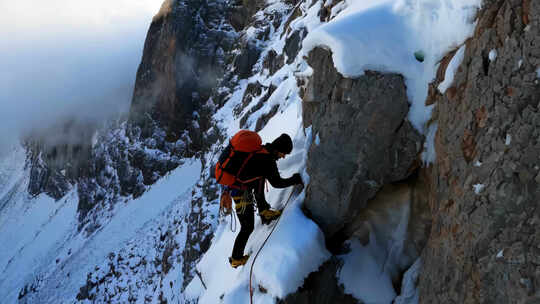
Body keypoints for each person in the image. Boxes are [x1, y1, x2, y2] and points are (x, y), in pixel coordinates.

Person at [228, 133, 303, 268]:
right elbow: (277, 183)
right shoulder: (267, 160)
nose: (283, 156)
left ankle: (264, 211)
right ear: (278, 149)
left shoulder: (263, 150)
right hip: (241, 193)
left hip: (241, 188)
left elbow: (259, 178)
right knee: (247, 227)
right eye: (283, 153)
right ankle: (236, 258)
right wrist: (295, 179)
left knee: (260, 178)